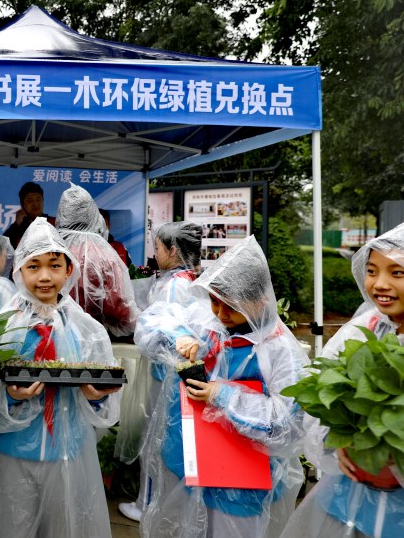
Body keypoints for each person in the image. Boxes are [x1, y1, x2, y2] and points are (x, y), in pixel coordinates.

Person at [135, 235, 309, 537]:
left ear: (262, 298)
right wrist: (179, 336)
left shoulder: (280, 351)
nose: (220, 312)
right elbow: (154, 319)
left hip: (242, 484)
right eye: (215, 300)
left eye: (231, 305)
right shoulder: (208, 321)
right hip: (187, 462)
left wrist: (223, 394)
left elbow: (289, 424)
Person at [0, 218, 122, 538]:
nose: (45, 276)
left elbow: (108, 388)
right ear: (19, 271)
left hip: (69, 454)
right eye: (34, 266)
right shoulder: (2, 327)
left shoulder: (87, 329)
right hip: (12, 454)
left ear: (68, 270)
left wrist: (97, 396)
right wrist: (11, 397)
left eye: (54, 266)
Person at [282, 223, 404, 538]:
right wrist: (336, 443)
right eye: (373, 271)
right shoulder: (368, 326)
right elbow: (315, 392)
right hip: (347, 497)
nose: (380, 284)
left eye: (397, 273)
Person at [116, 221, 203, 522]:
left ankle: (149, 505)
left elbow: (159, 333)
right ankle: (163, 504)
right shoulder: (192, 279)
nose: (155, 254)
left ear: (173, 249)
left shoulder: (174, 286)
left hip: (165, 376)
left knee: (157, 439)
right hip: (177, 375)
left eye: (157, 248)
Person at [55, 183, 139, 338]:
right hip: (99, 338)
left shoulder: (52, 250)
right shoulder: (106, 254)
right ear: (93, 214)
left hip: (58, 336)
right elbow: (119, 307)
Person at [3, 182, 56, 249]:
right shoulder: (17, 229)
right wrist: (16, 225)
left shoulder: (54, 223)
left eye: (38, 199)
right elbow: (2, 247)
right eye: (30, 201)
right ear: (22, 205)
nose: (35, 204)